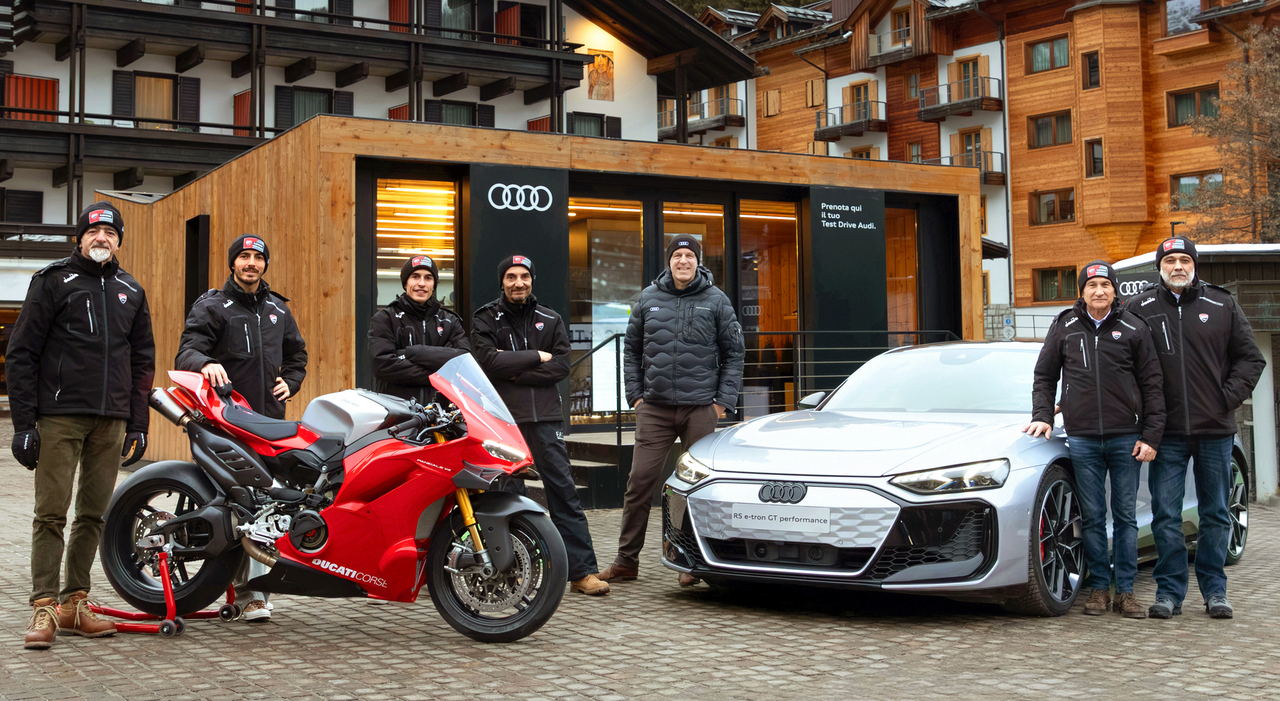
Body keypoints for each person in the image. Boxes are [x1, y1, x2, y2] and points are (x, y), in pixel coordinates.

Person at [9, 202, 155, 649]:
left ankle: (75, 603)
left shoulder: (131, 290)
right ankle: (44, 605)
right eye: (94, 232)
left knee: (92, 515)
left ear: (119, 241)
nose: (102, 239)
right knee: (51, 514)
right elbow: (22, 354)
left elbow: (142, 361)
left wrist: (136, 421)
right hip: (59, 417)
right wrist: (24, 424)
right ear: (80, 238)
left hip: (109, 421)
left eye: (111, 233)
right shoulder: (54, 281)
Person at [1124, 237, 1264, 619]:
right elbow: (1121, 362)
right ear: (1160, 267)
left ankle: (1215, 592)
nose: (1178, 266)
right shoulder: (1139, 308)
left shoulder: (1222, 304)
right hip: (1164, 433)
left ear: (1195, 265)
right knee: (1166, 516)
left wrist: (1225, 398)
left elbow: (1250, 360)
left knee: (1216, 513)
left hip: (1215, 429)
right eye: (1170, 260)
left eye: (1185, 259)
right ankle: (1169, 593)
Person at [175, 234, 308, 622]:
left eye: (257, 257)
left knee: (264, 507)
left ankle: (254, 591)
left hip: (268, 424)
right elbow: (187, 349)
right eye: (244, 257)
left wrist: (293, 381)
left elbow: (297, 352)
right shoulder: (213, 305)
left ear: (265, 264)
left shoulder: (278, 310)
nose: (251, 263)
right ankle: (244, 592)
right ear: (233, 263)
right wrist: (203, 363)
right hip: (225, 423)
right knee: (232, 508)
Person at [599, 235, 744, 587]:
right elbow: (631, 351)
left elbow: (734, 353)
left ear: (698, 261)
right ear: (669, 261)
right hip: (656, 409)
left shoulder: (716, 301)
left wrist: (722, 401)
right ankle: (625, 561)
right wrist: (636, 396)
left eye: (689, 255)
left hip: (700, 408)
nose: (683, 261)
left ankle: (691, 561)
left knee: (699, 488)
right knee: (640, 484)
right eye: (677, 255)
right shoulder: (649, 298)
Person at [1025, 261, 1164, 618]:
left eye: (1105, 284)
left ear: (1114, 290)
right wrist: (1042, 416)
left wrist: (1151, 435)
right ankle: (1099, 588)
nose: (1098, 291)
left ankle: (1127, 591)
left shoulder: (1134, 327)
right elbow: (1044, 376)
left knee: (1125, 517)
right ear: (1081, 291)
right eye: (1092, 285)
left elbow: (1153, 385)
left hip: (1126, 438)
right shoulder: (1064, 326)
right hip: (1083, 438)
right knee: (1091, 516)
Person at [471, 255, 610, 596]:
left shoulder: (550, 318)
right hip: (505, 422)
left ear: (532, 280)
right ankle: (514, 572)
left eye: (524, 276)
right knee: (508, 496)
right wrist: (535, 356)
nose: (518, 282)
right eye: (511, 277)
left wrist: (514, 370)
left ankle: (582, 572)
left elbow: (562, 365)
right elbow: (487, 362)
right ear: (501, 281)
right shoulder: (486, 318)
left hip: (546, 419)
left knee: (563, 493)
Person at [369, 255, 469, 403]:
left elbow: (464, 361)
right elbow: (382, 365)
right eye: (415, 277)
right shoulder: (385, 318)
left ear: (434, 284)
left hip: (441, 415)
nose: (421, 283)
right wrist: (441, 372)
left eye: (428, 278)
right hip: (399, 416)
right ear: (405, 283)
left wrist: (411, 352)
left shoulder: (450, 321)